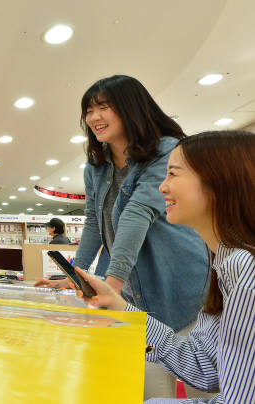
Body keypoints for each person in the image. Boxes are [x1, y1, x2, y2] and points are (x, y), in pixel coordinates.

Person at [35, 75, 209, 399]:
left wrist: (110, 286)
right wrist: (77, 277)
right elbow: (91, 223)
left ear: (130, 107)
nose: (93, 117)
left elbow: (137, 213)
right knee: (148, 388)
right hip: (136, 295)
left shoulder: (166, 151)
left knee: (207, 383)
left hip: (180, 287)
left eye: (103, 107)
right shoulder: (95, 166)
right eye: (89, 110)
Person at [74, 130, 254, 404]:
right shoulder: (226, 266)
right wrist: (120, 305)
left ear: (218, 181)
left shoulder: (246, 272)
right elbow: (204, 363)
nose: (162, 186)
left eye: (173, 173)